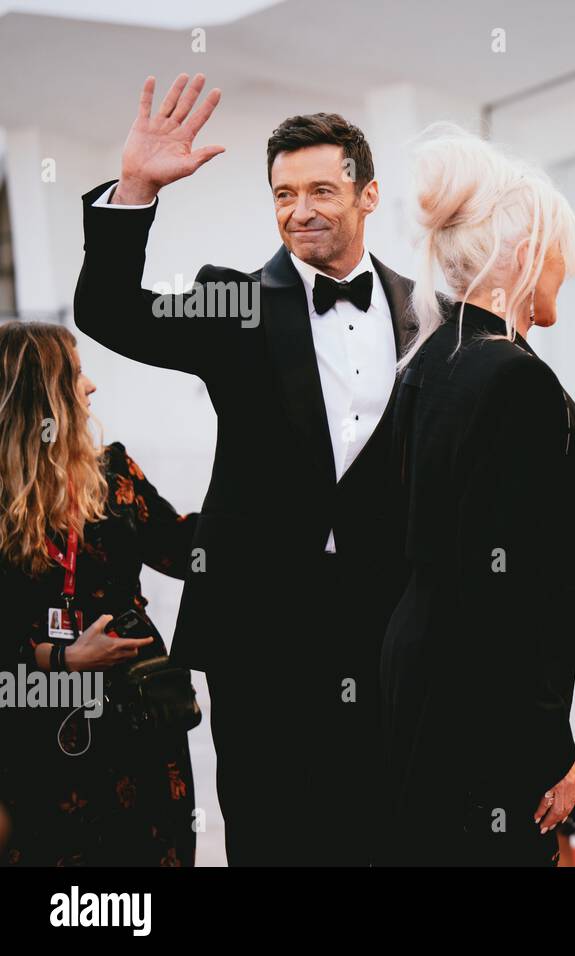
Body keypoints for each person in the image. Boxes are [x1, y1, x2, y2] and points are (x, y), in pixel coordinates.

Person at [72, 73, 433, 865]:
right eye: (282, 193)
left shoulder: (426, 314)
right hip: (260, 632)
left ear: (368, 195)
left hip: (386, 624)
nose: (299, 209)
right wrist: (134, 187)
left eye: (320, 190)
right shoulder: (232, 305)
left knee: (384, 826)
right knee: (272, 832)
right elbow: (108, 311)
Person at [380, 124, 575, 866]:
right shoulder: (513, 377)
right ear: (528, 254)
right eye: (563, 248)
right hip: (482, 702)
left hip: (429, 674)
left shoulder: (434, 358)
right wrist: (549, 745)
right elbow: (505, 585)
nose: (571, 265)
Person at [0, 322, 196, 866]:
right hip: (41, 725)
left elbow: (183, 548)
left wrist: (254, 500)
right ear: (42, 393)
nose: (91, 388)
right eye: (77, 374)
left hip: (138, 713)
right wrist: (63, 658)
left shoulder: (112, 472)